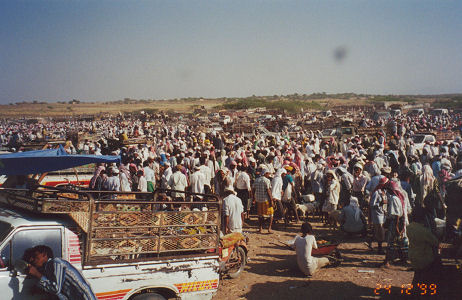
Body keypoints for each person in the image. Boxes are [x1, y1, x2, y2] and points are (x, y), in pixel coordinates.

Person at [25, 245, 97, 300]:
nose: (32, 259)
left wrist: (36, 274)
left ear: (44, 255)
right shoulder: (48, 269)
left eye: (34, 256)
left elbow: (56, 289)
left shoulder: (56, 263)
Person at [406, 207, 441, 294]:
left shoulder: (409, 227)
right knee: (433, 267)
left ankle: (415, 290)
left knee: (417, 275)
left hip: (413, 255)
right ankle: (426, 291)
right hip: (424, 258)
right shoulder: (424, 231)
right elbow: (436, 242)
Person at [252, 169, 274, 233]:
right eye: (268, 174)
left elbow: (253, 189)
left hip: (258, 200)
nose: (268, 175)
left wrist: (253, 198)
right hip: (265, 200)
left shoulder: (256, 180)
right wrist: (271, 199)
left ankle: (260, 228)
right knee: (271, 214)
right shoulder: (267, 180)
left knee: (260, 215)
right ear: (265, 174)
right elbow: (268, 190)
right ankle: (269, 228)